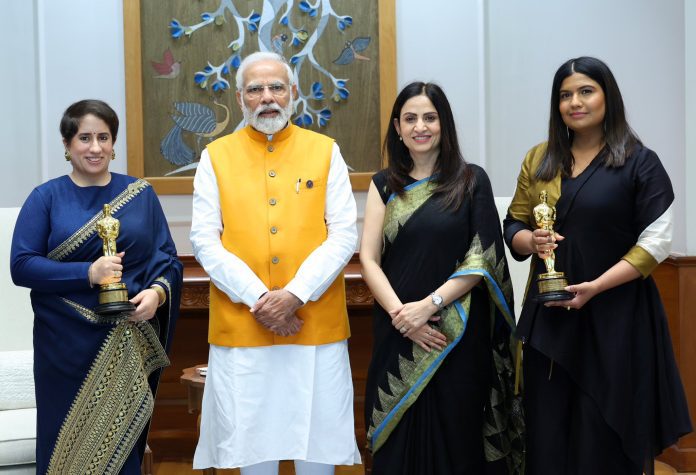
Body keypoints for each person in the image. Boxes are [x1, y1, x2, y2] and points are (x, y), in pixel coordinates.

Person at [504, 56, 692, 474]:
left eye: (586, 91)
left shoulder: (639, 162)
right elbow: (513, 223)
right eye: (565, 95)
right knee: (548, 435)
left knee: (603, 436)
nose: (575, 102)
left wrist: (595, 287)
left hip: (616, 319)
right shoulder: (539, 159)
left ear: (608, 97)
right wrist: (530, 240)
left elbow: (656, 243)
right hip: (550, 318)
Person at [190, 51, 361, 474]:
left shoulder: (325, 151)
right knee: (252, 452)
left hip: (313, 324)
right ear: (240, 98)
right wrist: (260, 299)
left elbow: (343, 234)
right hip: (243, 325)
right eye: (255, 89)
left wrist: (295, 295)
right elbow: (204, 240)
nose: (267, 97)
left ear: (293, 93)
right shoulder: (215, 156)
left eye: (276, 87)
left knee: (317, 450)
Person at [10, 99, 183, 474]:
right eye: (84, 138)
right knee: (66, 447)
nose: (95, 147)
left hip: (125, 342)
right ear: (67, 143)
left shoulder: (140, 195)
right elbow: (21, 266)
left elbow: (167, 259)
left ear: (113, 142)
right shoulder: (46, 198)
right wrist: (88, 273)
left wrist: (157, 294)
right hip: (63, 347)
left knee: (121, 447)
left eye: (103, 137)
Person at [360, 82, 524, 475]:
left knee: (457, 434)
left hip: (457, 332)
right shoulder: (384, 184)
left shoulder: (471, 180)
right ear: (397, 128)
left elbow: (481, 259)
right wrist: (403, 316)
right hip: (397, 330)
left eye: (429, 118)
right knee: (397, 441)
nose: (420, 127)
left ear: (443, 124)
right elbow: (368, 259)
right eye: (410, 118)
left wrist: (429, 307)